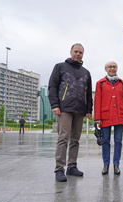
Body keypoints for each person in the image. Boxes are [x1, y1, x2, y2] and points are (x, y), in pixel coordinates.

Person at [48, 43, 93, 182]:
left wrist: (89, 109)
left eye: (81, 52)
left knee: (75, 139)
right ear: (71, 52)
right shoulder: (60, 67)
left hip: (80, 110)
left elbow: (89, 93)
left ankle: (72, 166)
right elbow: (52, 86)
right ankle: (59, 168)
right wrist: (55, 104)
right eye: (76, 51)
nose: (78, 54)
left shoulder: (86, 72)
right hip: (64, 108)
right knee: (63, 138)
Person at [94, 61, 123, 175]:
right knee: (105, 141)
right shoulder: (100, 83)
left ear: (117, 68)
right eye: (110, 67)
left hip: (119, 116)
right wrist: (97, 117)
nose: (112, 68)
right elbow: (97, 101)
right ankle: (106, 165)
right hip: (105, 116)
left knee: (118, 141)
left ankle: (116, 164)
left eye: (114, 66)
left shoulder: (122, 83)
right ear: (105, 69)